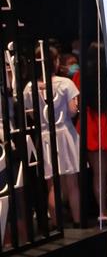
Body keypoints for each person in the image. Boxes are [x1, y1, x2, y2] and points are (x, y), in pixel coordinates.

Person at [23, 45, 81, 228]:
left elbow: (32, 115)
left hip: (45, 135)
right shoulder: (66, 83)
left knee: (52, 185)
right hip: (65, 132)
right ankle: (78, 222)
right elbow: (72, 111)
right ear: (55, 62)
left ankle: (56, 226)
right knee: (72, 183)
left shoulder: (29, 88)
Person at [73, 41, 107, 225]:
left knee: (98, 173)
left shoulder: (80, 75)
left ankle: (102, 212)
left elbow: (78, 102)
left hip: (91, 123)